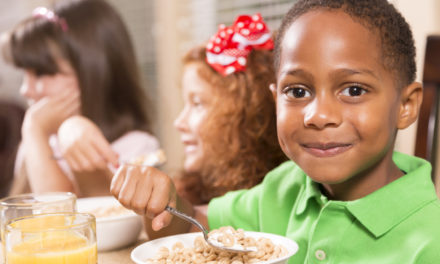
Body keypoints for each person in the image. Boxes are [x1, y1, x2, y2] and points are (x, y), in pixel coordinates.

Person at [111, 0, 440, 262]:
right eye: (298, 92)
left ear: (406, 106)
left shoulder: (430, 240)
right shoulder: (283, 187)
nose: (318, 115)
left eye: (353, 90)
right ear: (275, 100)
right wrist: (165, 201)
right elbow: (193, 226)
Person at [1, 0, 159, 197]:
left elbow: (60, 217)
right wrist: (35, 133)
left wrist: (35, 130)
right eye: (24, 74)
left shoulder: (136, 147)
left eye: (41, 73)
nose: (25, 89)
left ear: (94, 73)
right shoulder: (37, 139)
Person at [173, 14, 287, 205]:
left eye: (198, 104)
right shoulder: (185, 193)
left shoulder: (273, 201)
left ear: (245, 117)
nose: (179, 123)